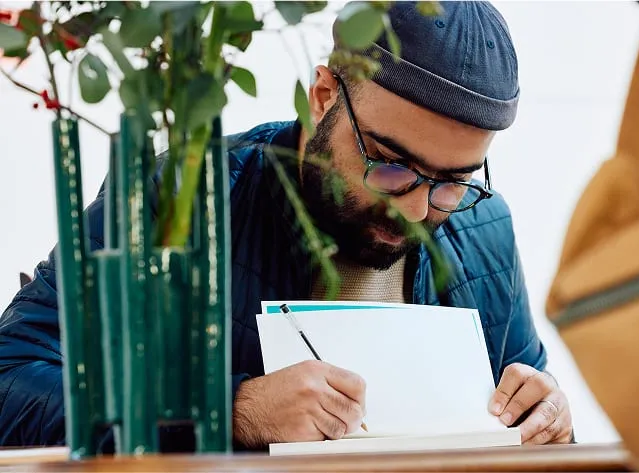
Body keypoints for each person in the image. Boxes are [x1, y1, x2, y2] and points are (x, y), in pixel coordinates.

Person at [0, 1, 573, 450]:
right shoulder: (186, 196)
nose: (418, 211)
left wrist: (552, 424)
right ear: (323, 96)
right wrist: (230, 411)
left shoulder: (484, 227)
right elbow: (13, 377)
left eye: (451, 181)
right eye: (392, 165)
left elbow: (529, 422)